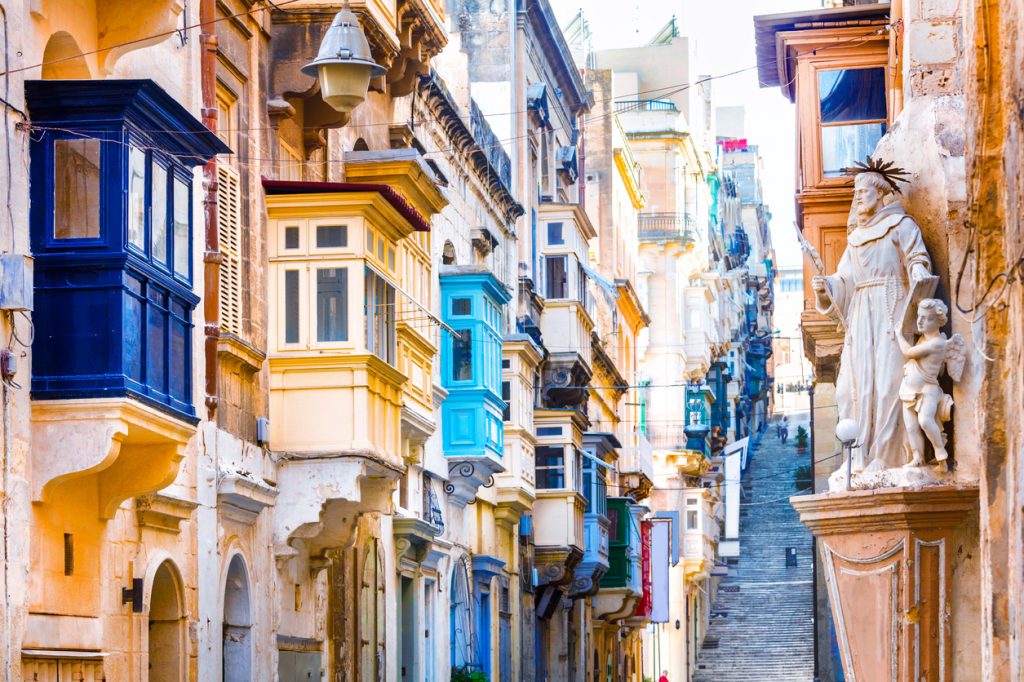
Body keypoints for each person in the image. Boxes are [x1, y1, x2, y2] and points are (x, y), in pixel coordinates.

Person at [812, 158, 932, 471]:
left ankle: (885, 455)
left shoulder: (902, 226)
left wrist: (918, 270)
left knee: (890, 380)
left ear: (880, 195)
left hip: (891, 307)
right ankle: (858, 453)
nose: (858, 198)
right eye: (856, 193)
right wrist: (826, 287)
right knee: (855, 385)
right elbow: (845, 281)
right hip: (861, 315)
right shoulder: (854, 241)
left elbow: (917, 258)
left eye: (864, 192)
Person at [895, 299, 965, 466]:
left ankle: (940, 452)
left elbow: (908, 352)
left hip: (928, 390)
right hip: (909, 389)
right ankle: (918, 457)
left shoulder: (938, 343)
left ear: (938, 321)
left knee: (925, 420)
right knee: (911, 427)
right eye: (919, 317)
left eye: (926, 318)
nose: (920, 321)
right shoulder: (924, 339)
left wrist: (898, 334)